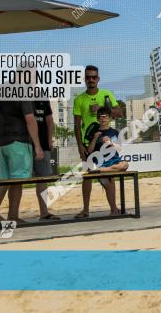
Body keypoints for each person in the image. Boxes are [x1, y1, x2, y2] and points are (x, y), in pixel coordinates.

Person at [0, 99, 44, 227]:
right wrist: (37, 145)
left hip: (1, 141)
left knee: (6, 180)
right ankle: (10, 215)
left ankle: (1, 213)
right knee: (18, 179)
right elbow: (30, 119)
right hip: (18, 140)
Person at [72, 65, 115, 219]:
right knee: (87, 176)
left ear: (98, 79)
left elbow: (119, 113)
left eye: (94, 77)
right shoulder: (79, 99)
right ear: (85, 79)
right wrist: (79, 146)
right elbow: (76, 125)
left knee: (108, 176)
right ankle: (85, 210)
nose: (91, 80)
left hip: (105, 142)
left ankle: (114, 209)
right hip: (88, 144)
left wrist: (103, 107)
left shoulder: (107, 94)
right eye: (88, 77)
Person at [85, 106, 129, 216]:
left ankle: (101, 170)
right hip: (99, 163)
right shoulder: (94, 132)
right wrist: (95, 138)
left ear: (109, 118)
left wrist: (110, 143)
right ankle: (114, 210)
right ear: (97, 118)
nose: (102, 119)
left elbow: (119, 148)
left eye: (104, 117)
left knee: (125, 164)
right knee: (109, 185)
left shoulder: (114, 132)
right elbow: (89, 151)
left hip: (111, 164)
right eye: (100, 117)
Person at [31, 100, 59, 221]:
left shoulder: (42, 97)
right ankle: (12, 215)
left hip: (42, 144)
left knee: (42, 179)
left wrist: (49, 140)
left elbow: (49, 120)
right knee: (15, 180)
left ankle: (44, 212)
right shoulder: (19, 95)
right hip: (24, 144)